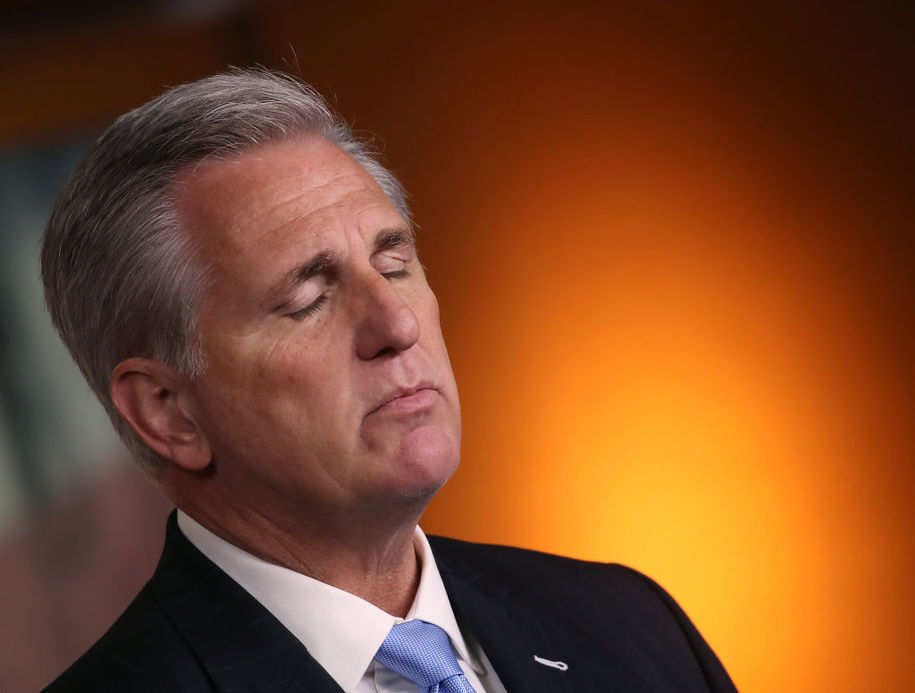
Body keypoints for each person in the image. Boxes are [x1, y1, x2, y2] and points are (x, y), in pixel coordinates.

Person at [41, 69, 737, 692]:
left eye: (394, 263)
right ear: (169, 412)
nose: (396, 324)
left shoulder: (628, 622)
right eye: (309, 298)